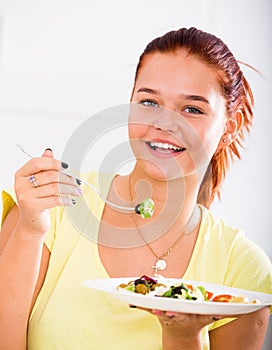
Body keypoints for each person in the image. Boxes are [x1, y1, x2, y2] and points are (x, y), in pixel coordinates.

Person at [0, 27, 271, 350]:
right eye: (149, 102)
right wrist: (29, 231)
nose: (165, 124)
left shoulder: (241, 266)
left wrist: (183, 338)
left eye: (192, 109)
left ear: (230, 127)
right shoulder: (50, 206)